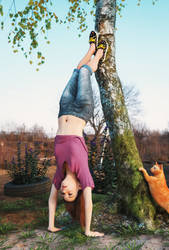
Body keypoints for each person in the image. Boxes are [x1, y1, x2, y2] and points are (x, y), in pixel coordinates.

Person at [48, 31, 108, 237]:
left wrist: (51, 225)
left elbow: (51, 200)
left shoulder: (59, 175)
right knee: (84, 72)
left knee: (75, 71)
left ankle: (91, 49)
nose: (64, 190)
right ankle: (99, 53)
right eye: (70, 193)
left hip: (64, 108)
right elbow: (88, 202)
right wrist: (88, 230)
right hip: (82, 109)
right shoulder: (84, 175)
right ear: (80, 188)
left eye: (63, 194)